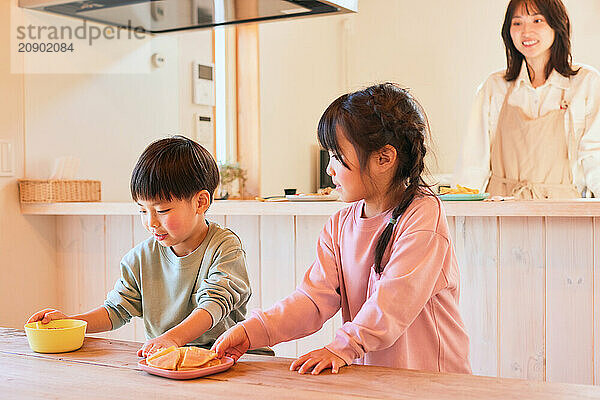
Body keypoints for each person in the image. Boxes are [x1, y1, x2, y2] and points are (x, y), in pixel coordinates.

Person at [212, 83, 471, 375]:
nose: (329, 169)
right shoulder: (339, 225)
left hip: (435, 383)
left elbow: (394, 303)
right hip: (374, 382)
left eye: (337, 155)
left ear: (384, 158)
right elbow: (312, 300)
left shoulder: (423, 214)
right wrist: (253, 331)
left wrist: (341, 347)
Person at [27, 135, 251, 357]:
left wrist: (172, 338)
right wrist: (70, 323)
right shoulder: (140, 258)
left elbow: (214, 304)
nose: (151, 222)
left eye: (162, 210)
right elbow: (116, 310)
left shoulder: (225, 247)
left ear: (200, 202)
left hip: (227, 360)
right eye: (142, 210)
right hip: (167, 365)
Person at [454, 0, 600, 199]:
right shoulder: (494, 87)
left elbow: (594, 155)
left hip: (564, 212)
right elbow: (472, 163)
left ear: (558, 24)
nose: (526, 31)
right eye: (517, 23)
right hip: (501, 212)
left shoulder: (586, 83)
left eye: (537, 20)